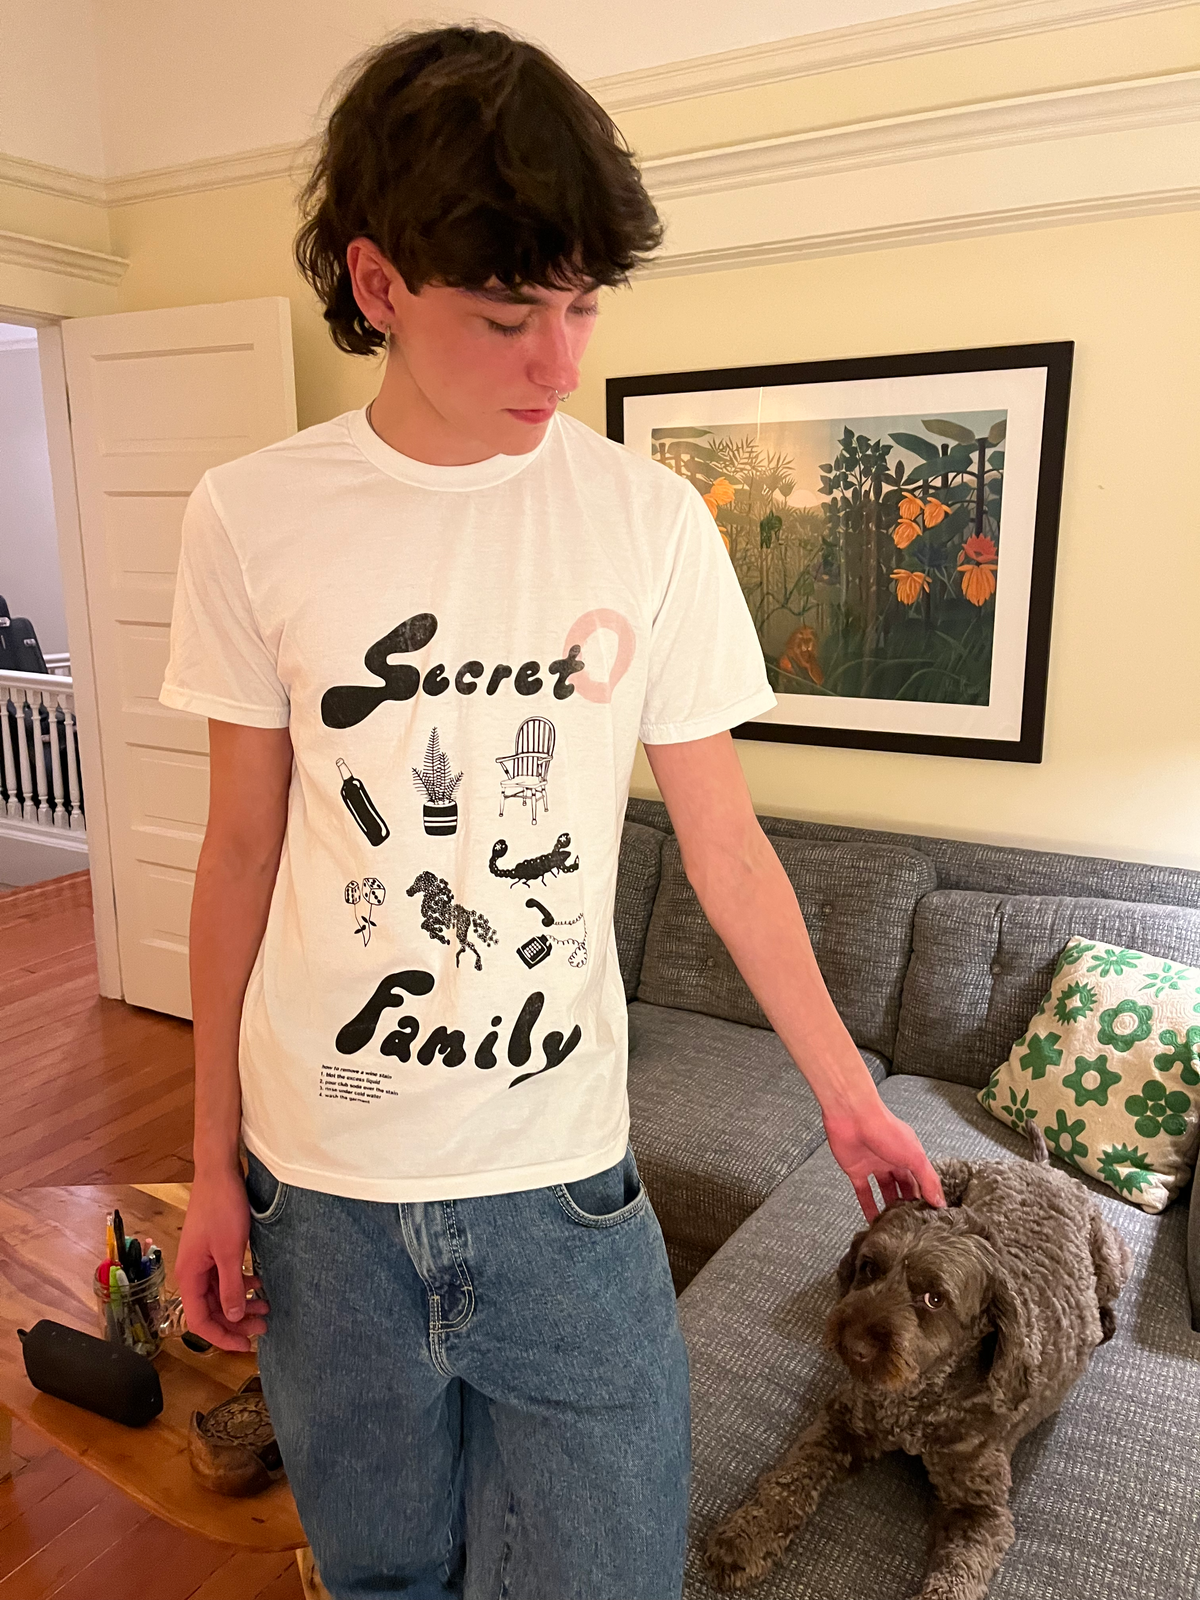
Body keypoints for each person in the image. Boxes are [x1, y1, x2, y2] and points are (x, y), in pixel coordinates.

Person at [161, 24, 945, 1600]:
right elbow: (241, 850)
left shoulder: (646, 523)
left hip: (561, 1192)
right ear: (380, 284)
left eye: (583, 305)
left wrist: (845, 1093)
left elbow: (726, 847)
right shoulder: (250, 517)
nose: (562, 362)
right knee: (379, 1579)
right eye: (512, 315)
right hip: (322, 1193)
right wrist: (210, 1161)